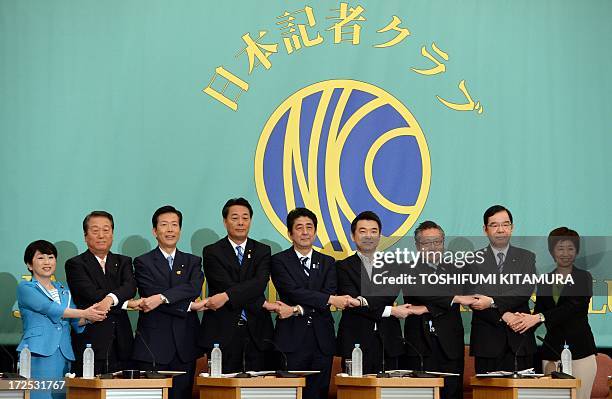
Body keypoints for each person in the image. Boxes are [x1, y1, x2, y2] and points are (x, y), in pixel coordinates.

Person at [271, 208, 353, 399]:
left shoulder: (328, 262)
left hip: (321, 340)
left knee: (319, 392)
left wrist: (296, 309)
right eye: (299, 228)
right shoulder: (279, 261)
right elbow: (292, 291)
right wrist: (329, 300)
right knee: (290, 393)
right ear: (290, 233)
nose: (305, 232)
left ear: (315, 232)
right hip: (291, 339)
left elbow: (327, 292)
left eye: (309, 227)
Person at [510, 227, 597, 399]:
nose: (565, 253)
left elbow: (573, 307)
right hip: (552, 352)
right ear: (551, 251)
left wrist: (538, 317)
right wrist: (520, 322)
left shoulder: (583, 277)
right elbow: (539, 314)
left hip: (581, 352)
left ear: (577, 251)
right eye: (560, 248)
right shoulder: (544, 281)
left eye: (570, 248)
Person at [17, 240, 107, 399]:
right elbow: (50, 309)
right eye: (40, 258)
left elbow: (75, 321)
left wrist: (93, 316)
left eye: (51, 257)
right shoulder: (26, 288)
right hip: (38, 352)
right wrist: (84, 312)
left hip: (64, 353)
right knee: (39, 396)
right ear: (29, 265)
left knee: (60, 396)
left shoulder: (64, 289)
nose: (47, 262)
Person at [195, 198, 277, 372]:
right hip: (222, 333)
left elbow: (260, 283)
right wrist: (262, 303)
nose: (240, 222)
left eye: (245, 218)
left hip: (257, 332)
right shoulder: (212, 251)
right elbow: (224, 283)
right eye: (235, 218)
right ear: (225, 221)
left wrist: (225, 296)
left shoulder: (262, 250)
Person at [132, 206, 204, 399]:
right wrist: (188, 305)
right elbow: (149, 295)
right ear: (155, 231)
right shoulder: (143, 262)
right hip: (152, 346)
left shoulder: (193, 261)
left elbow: (194, 288)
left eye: (174, 225)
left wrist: (162, 297)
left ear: (180, 230)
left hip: (185, 346)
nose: (170, 229)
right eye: (164, 225)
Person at [402, 221, 474, 399]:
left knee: (452, 392)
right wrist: (453, 299)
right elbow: (423, 291)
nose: (433, 247)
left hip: (450, 345)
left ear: (443, 243)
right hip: (419, 345)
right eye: (427, 243)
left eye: (437, 242)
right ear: (418, 246)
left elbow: (455, 294)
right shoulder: (407, 269)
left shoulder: (458, 268)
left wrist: (426, 308)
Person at [65, 211, 140, 375]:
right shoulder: (75, 264)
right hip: (90, 344)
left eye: (106, 230)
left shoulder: (123, 261)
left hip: (123, 345)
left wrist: (110, 299)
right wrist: (123, 301)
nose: (101, 235)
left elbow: (130, 287)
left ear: (112, 234)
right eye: (95, 230)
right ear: (85, 236)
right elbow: (90, 293)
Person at [467, 205, 537, 373]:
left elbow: (523, 291)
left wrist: (492, 301)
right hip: (487, 341)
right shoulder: (472, 260)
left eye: (505, 224)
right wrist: (506, 315)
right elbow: (474, 299)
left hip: (520, 337)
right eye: (494, 225)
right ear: (485, 229)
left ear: (512, 228)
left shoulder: (527, 257)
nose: (501, 230)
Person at [336, 211, 405, 375]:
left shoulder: (393, 265)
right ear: (353, 236)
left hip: (389, 340)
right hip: (355, 341)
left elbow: (389, 295)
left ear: (380, 236)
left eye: (374, 231)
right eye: (363, 231)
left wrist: (362, 300)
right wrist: (390, 310)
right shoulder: (342, 267)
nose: (369, 236)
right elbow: (350, 300)